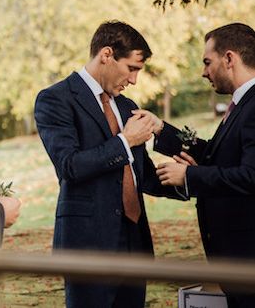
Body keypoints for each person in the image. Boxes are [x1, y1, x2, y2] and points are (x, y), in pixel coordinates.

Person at [34, 20, 182, 308]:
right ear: (106, 54)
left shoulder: (126, 106)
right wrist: (125, 142)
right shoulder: (55, 99)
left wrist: (189, 180)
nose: (135, 80)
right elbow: (69, 166)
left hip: (134, 243)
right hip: (88, 245)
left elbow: (144, 176)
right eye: (132, 68)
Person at [151, 23, 255, 308]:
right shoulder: (243, 104)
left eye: (207, 62)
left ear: (230, 58)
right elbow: (216, 153)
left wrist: (189, 175)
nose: (203, 72)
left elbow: (251, 176)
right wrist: (161, 130)